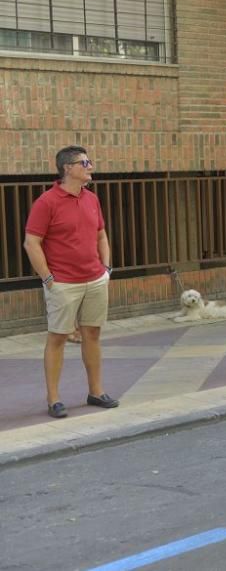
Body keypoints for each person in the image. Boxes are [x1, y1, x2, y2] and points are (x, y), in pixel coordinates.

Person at [23, 146, 118, 418]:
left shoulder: (91, 199)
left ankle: (96, 391)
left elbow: (101, 234)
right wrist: (49, 279)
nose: (90, 166)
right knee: (58, 338)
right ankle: (54, 399)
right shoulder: (47, 202)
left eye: (90, 161)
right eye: (85, 162)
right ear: (68, 168)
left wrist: (106, 269)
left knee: (93, 335)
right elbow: (32, 243)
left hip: (95, 279)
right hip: (63, 283)